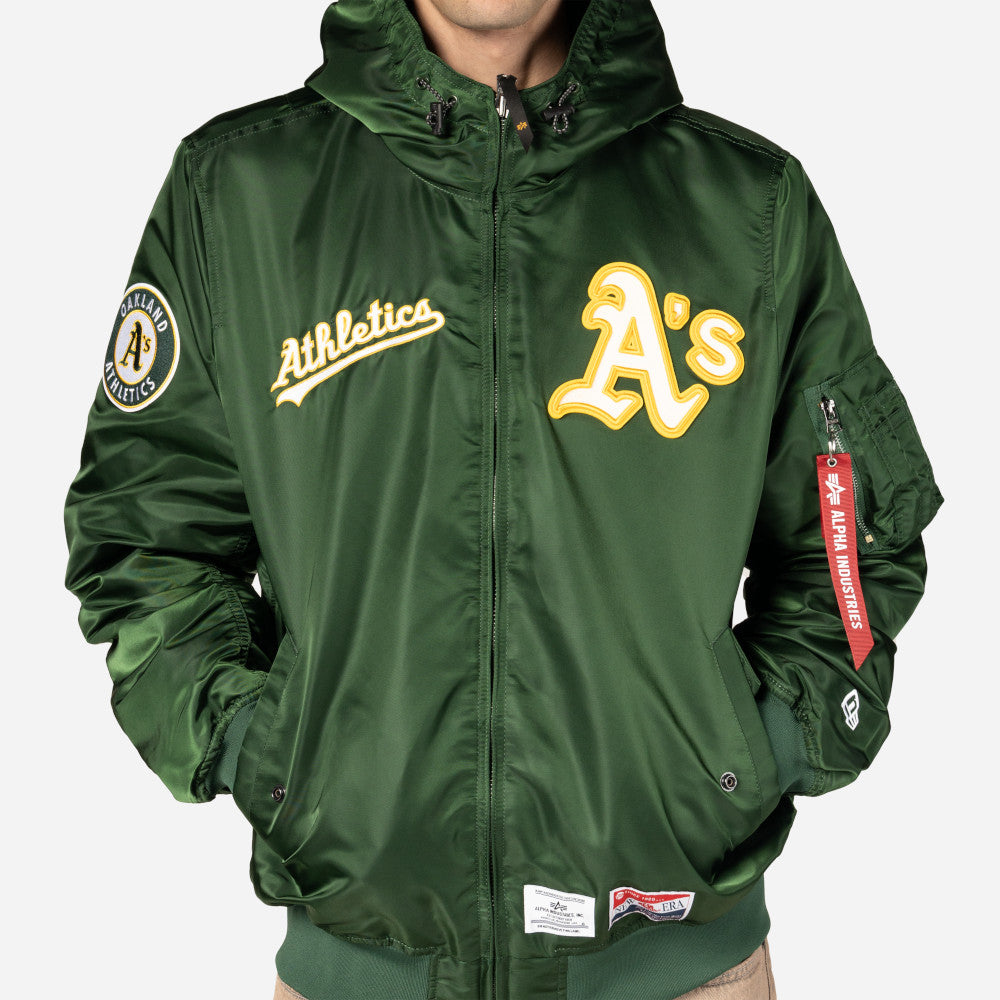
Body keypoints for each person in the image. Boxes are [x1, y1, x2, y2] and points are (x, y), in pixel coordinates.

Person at [64, 1, 943, 998]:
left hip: (684, 965)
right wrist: (263, 750)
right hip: (356, 970)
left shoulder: (747, 206)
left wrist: (751, 751)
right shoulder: (237, 195)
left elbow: (851, 540)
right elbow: (146, 534)